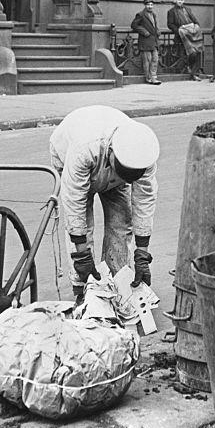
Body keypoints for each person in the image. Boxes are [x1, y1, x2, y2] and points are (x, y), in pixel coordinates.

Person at [48, 106, 160, 298]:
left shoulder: (143, 154)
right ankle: (83, 287)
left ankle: (118, 282)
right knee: (83, 223)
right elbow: (75, 203)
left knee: (122, 220)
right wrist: (82, 255)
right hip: (70, 153)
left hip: (108, 161)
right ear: (111, 152)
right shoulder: (84, 150)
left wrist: (142, 254)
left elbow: (144, 201)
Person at [166, 0, 204, 80]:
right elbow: (170, 24)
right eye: (178, 0)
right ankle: (189, 71)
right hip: (182, 37)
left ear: (184, 1)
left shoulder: (187, 9)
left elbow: (194, 20)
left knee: (196, 52)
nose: (180, 1)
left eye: (181, 0)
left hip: (192, 35)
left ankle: (194, 72)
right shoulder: (171, 11)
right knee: (189, 53)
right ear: (175, 0)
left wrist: (196, 26)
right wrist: (179, 31)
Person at [131, 0, 162, 85]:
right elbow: (134, 25)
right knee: (147, 61)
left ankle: (154, 77)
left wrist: (157, 30)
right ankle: (149, 78)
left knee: (155, 59)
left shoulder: (153, 15)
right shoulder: (140, 14)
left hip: (154, 41)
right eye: (148, 5)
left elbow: (154, 26)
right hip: (145, 41)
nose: (150, 6)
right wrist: (144, 31)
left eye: (151, 5)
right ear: (145, 5)